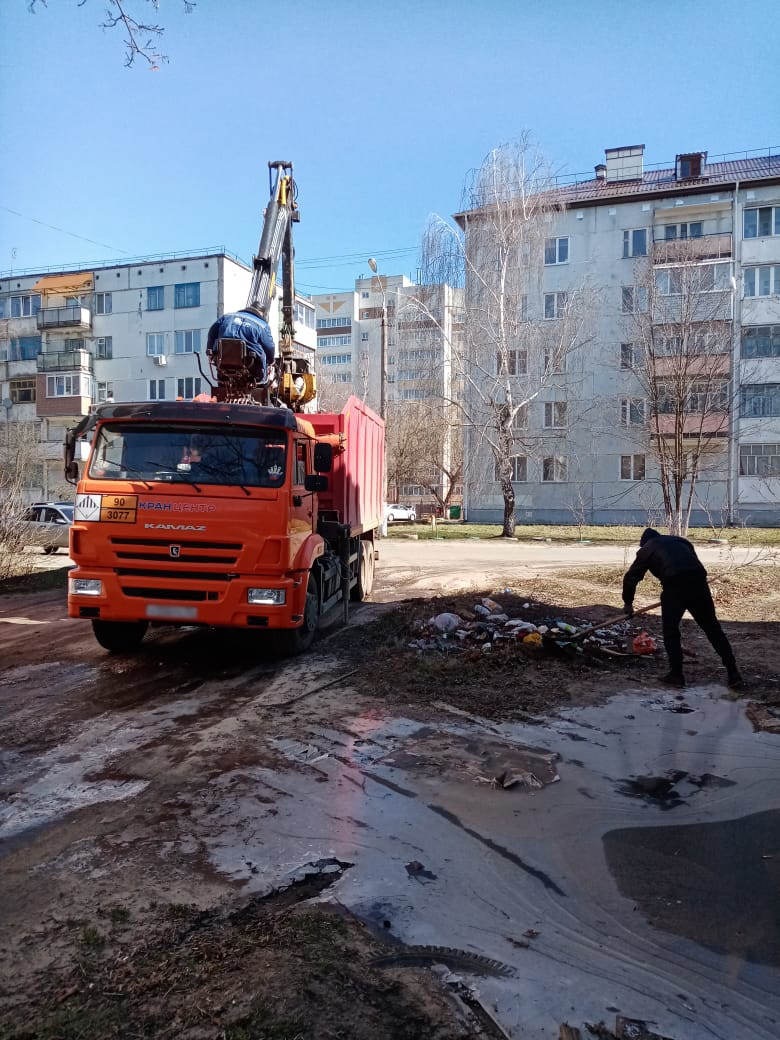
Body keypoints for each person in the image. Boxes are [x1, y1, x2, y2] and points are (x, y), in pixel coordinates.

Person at [622, 527, 743, 689]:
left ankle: (676, 674)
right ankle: (733, 672)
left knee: (671, 631)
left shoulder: (647, 549)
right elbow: (690, 562)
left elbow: (631, 578)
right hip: (699, 583)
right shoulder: (681, 541)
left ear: (644, 543)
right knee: (712, 628)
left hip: (675, 586)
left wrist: (628, 603)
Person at [206, 300, 276, 383]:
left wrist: (210, 351)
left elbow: (212, 333)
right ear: (262, 314)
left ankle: (223, 384)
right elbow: (269, 347)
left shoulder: (226, 317)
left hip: (223, 363)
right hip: (251, 366)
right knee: (262, 375)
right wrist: (271, 360)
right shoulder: (262, 325)